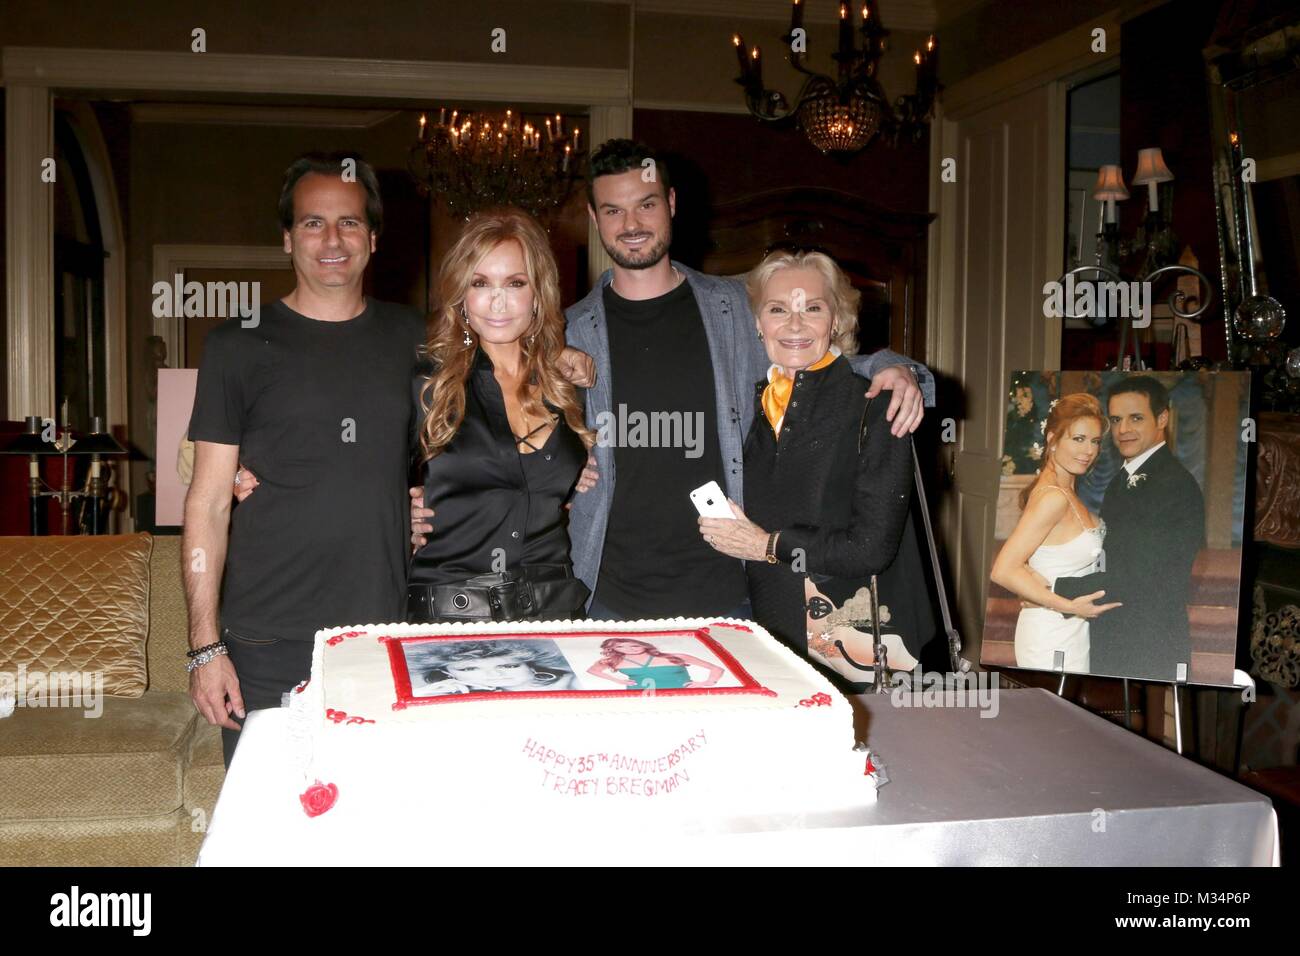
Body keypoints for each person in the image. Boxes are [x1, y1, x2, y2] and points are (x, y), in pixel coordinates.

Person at [416, 140, 935, 621]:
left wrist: (894, 369)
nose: (631, 223)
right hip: (601, 591)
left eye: (645, 204)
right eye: (613, 210)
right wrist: (421, 507)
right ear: (595, 218)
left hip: (730, 586)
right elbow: (495, 437)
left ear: (671, 203)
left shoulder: (734, 308)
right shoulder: (563, 332)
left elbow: (810, 346)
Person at [185, 153, 424, 769]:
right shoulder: (237, 344)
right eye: (313, 224)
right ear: (288, 238)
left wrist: (566, 364)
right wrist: (205, 648)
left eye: (348, 223)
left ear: (372, 237)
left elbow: (493, 410)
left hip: (381, 634)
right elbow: (208, 499)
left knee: (369, 826)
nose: (332, 240)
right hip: (265, 636)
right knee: (265, 829)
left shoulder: (415, 338)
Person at [696, 250, 929, 683]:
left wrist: (767, 545)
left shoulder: (879, 404)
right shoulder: (749, 405)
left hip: (854, 647)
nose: (795, 324)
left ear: (837, 320)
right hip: (768, 636)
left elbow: (871, 548)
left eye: (813, 308)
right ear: (757, 323)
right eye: (778, 309)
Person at [405, 208, 594, 623]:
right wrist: (399, 514)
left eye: (514, 283)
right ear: (462, 295)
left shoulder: (567, 384)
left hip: (555, 612)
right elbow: (361, 474)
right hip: (448, 617)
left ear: (537, 293)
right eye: (480, 283)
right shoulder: (425, 384)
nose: (497, 300)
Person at [1052, 376, 1205, 681]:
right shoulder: (1125, 478)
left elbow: (1140, 575)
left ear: (1162, 418)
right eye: (1117, 419)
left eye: (1136, 418)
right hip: (1119, 630)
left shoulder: (1172, 485)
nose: (1123, 430)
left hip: (1146, 640)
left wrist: (1055, 590)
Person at [990, 393, 1115, 673]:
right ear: (1052, 439)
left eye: (1094, 441)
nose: (1088, 451)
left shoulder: (1065, 490)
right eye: (1078, 439)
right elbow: (1003, 569)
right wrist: (1068, 606)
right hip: (1051, 635)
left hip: (1070, 630)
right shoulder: (1053, 498)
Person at [411, 640, 576, 695]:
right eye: (469, 669)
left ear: (532, 667)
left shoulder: (571, 682)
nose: (493, 674)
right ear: (447, 674)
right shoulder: (449, 691)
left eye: (509, 665)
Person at [586, 637, 724, 690]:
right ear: (613, 648)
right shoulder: (614, 661)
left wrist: (707, 682)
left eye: (634, 646)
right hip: (640, 699)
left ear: (644, 645)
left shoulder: (675, 657)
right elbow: (592, 670)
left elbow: (716, 668)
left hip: (681, 697)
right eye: (620, 647)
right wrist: (617, 681)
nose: (628, 649)